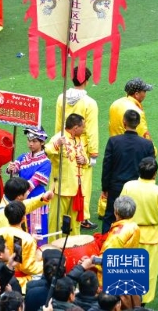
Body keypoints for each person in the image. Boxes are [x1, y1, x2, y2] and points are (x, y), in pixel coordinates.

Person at [54, 66, 99, 231]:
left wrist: (57, 143)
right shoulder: (90, 103)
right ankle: (82, 217)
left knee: (66, 178)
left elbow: (58, 124)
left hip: (64, 142)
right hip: (83, 147)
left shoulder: (61, 98)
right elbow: (92, 129)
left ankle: (63, 214)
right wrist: (93, 154)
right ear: (87, 80)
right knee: (83, 183)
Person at [101, 109, 155, 233]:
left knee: (110, 217)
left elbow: (107, 166)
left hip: (116, 187)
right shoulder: (147, 144)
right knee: (135, 216)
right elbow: (151, 169)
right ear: (138, 123)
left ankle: (105, 247)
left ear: (124, 122)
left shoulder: (113, 141)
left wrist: (105, 188)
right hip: (139, 187)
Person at [120, 157, 158, 304]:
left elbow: (120, 208)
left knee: (128, 269)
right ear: (155, 173)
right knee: (149, 272)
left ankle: (127, 301)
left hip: (129, 233)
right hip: (151, 237)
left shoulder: (128, 186)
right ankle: (142, 303)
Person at [6, 129, 52, 239]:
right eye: (29, 140)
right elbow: (13, 169)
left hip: (36, 201)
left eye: (34, 141)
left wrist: (16, 195)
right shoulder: (22, 157)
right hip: (20, 199)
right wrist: (10, 168)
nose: (30, 143)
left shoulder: (46, 162)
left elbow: (31, 184)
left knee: (37, 232)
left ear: (42, 142)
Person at [0, 201, 42, 291]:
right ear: (24, 217)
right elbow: (28, 268)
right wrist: (44, 264)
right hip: (20, 283)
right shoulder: (26, 239)